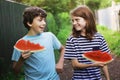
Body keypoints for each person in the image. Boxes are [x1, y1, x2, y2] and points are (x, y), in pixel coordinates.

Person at [11, 6, 64, 80]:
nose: (44, 23)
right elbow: (15, 71)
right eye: (40, 20)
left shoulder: (49, 36)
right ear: (29, 23)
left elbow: (62, 49)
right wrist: (21, 60)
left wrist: (60, 63)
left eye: (44, 20)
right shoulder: (20, 43)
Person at [64, 5, 111, 80]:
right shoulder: (72, 40)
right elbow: (75, 65)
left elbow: (103, 63)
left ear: (87, 19)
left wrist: (108, 79)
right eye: (72, 20)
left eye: (77, 20)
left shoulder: (99, 38)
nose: (74, 23)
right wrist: (93, 64)